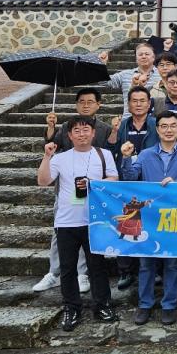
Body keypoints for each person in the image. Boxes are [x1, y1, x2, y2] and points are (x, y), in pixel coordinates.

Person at [36, 115, 119, 331]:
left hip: (94, 220)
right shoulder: (60, 158)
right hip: (66, 221)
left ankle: (102, 305)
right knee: (67, 268)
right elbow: (43, 181)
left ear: (93, 133)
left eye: (86, 130)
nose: (82, 134)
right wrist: (46, 156)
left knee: (97, 266)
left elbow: (114, 178)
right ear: (69, 135)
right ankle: (71, 307)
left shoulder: (104, 154)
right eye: (77, 131)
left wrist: (93, 183)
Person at [123, 114, 177, 325]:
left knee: (173, 264)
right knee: (146, 263)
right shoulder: (145, 154)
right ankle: (145, 304)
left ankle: (169, 305)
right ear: (157, 130)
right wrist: (126, 158)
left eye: (173, 126)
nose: (169, 130)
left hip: (175, 217)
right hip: (149, 217)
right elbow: (130, 178)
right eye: (164, 126)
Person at [36, 88, 110, 294]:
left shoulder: (104, 129)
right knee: (60, 232)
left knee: (88, 233)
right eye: (81, 102)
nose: (86, 105)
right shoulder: (67, 127)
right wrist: (51, 128)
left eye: (90, 102)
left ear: (98, 105)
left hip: (92, 192)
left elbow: (109, 155)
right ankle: (54, 272)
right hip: (68, 189)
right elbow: (51, 146)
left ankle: (82, 273)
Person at [108, 86, 158, 290]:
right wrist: (113, 131)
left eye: (142, 100)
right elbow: (111, 148)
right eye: (134, 101)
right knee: (126, 225)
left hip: (149, 179)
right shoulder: (122, 125)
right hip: (126, 180)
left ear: (149, 103)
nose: (138, 104)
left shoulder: (156, 124)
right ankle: (125, 271)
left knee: (150, 224)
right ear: (128, 104)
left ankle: (154, 269)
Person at [102, 42, 159, 119]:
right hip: (129, 120)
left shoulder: (162, 75)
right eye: (140, 54)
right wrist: (102, 65)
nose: (144, 56)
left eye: (147, 54)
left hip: (155, 120)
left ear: (153, 57)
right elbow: (104, 82)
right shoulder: (125, 74)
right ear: (136, 58)